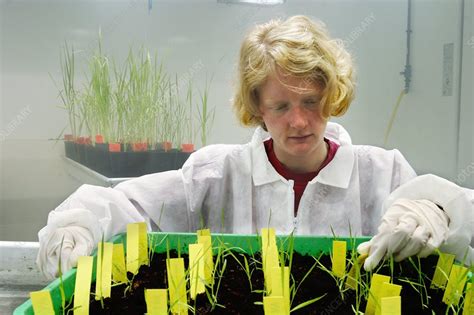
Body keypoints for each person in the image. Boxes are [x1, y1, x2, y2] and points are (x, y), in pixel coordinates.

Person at [37, 15, 473, 279]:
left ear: (332, 94)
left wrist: (437, 217)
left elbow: (459, 233)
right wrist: (80, 225)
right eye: (281, 105)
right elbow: (129, 206)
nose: (299, 121)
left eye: (310, 101)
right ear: (257, 107)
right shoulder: (216, 175)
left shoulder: (384, 173)